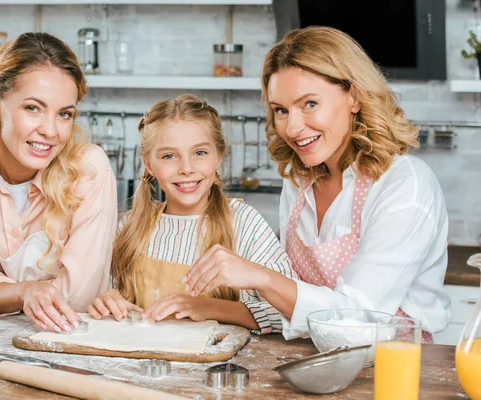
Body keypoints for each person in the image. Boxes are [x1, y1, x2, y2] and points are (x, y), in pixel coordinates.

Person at [184, 26, 451, 342]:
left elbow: (356, 321)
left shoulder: (405, 185)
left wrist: (260, 277)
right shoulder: (299, 182)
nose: (293, 127)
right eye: (281, 110)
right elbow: (291, 304)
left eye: (309, 104)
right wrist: (212, 305)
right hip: (313, 359)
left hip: (392, 371)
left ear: (353, 95)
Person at [0, 32, 117, 333]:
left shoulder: (89, 170)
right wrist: (12, 292)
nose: (50, 131)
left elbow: (80, 295)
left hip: (78, 338)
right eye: (33, 108)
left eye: (64, 114)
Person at [87, 94, 296, 332]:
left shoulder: (245, 223)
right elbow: (104, 296)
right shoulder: (130, 227)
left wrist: (207, 308)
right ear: (148, 164)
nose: (186, 168)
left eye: (199, 153)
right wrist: (107, 302)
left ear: (218, 156)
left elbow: (291, 315)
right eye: (169, 156)